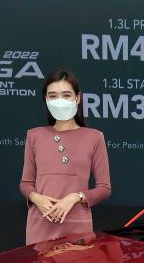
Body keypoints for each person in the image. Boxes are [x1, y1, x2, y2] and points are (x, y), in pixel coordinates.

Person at [19, 69, 111, 244]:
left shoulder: (94, 137)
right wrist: (36, 198)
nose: (59, 101)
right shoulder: (34, 135)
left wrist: (75, 197)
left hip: (77, 227)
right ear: (45, 99)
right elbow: (25, 183)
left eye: (66, 95)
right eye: (52, 96)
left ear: (77, 98)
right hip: (39, 225)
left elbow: (104, 188)